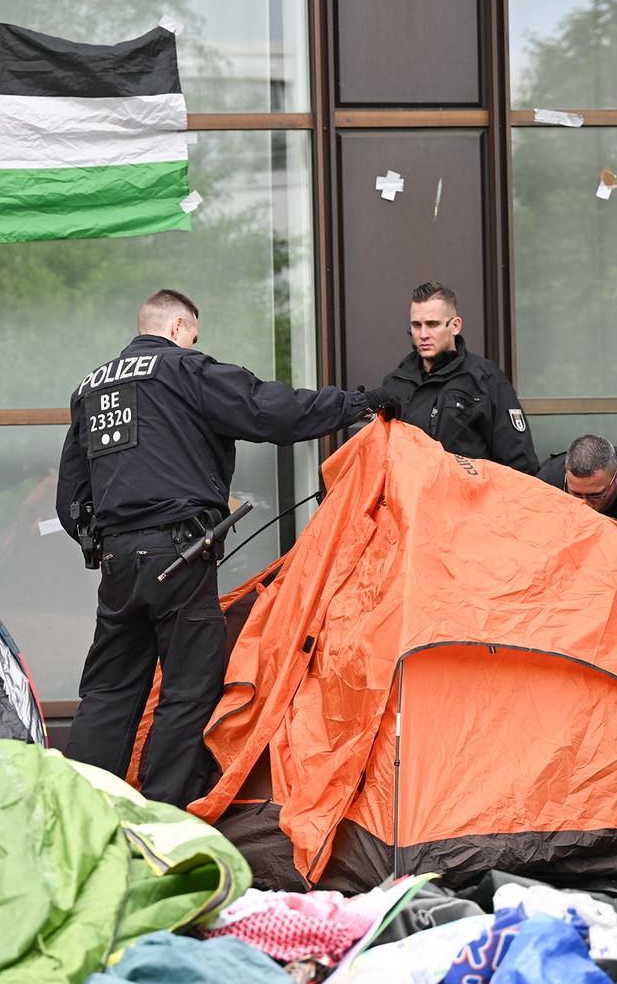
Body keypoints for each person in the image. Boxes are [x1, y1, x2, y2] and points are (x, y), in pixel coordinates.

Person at [55, 288, 399, 806]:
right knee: (189, 690)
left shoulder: (90, 389)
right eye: (193, 336)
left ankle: (77, 810)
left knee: (108, 693)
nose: (194, 345)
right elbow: (270, 410)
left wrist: (103, 544)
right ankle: (166, 816)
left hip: (118, 564)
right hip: (179, 555)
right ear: (177, 328)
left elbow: (72, 494)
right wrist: (357, 403)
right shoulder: (185, 370)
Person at [378, 281, 538, 474]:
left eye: (432, 324)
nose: (423, 334)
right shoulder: (396, 382)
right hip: (409, 500)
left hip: (471, 499)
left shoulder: (485, 378)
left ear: (455, 326)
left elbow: (519, 461)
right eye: (416, 325)